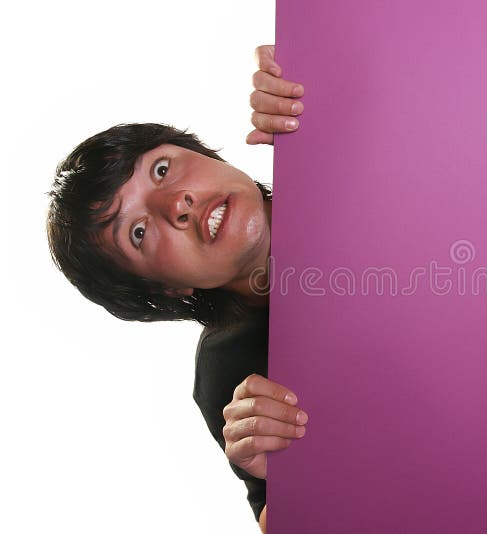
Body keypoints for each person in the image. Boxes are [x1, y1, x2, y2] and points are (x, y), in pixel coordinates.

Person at [47, 45, 301, 533]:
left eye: (161, 170)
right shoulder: (227, 377)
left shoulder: (345, 160)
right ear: (166, 290)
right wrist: (289, 485)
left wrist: (317, 88)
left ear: (203, 152)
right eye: (137, 232)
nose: (177, 204)